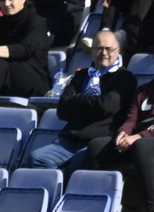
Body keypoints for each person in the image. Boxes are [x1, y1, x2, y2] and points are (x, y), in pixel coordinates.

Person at [26, 29, 136, 171]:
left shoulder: (126, 78)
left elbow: (108, 106)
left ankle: (66, 189)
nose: (103, 53)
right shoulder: (81, 76)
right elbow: (62, 109)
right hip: (69, 140)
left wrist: (79, 98)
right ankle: (57, 189)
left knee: (78, 163)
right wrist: (95, 107)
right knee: (36, 159)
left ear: (117, 50)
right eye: (98, 48)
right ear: (91, 50)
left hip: (98, 142)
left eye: (108, 49)